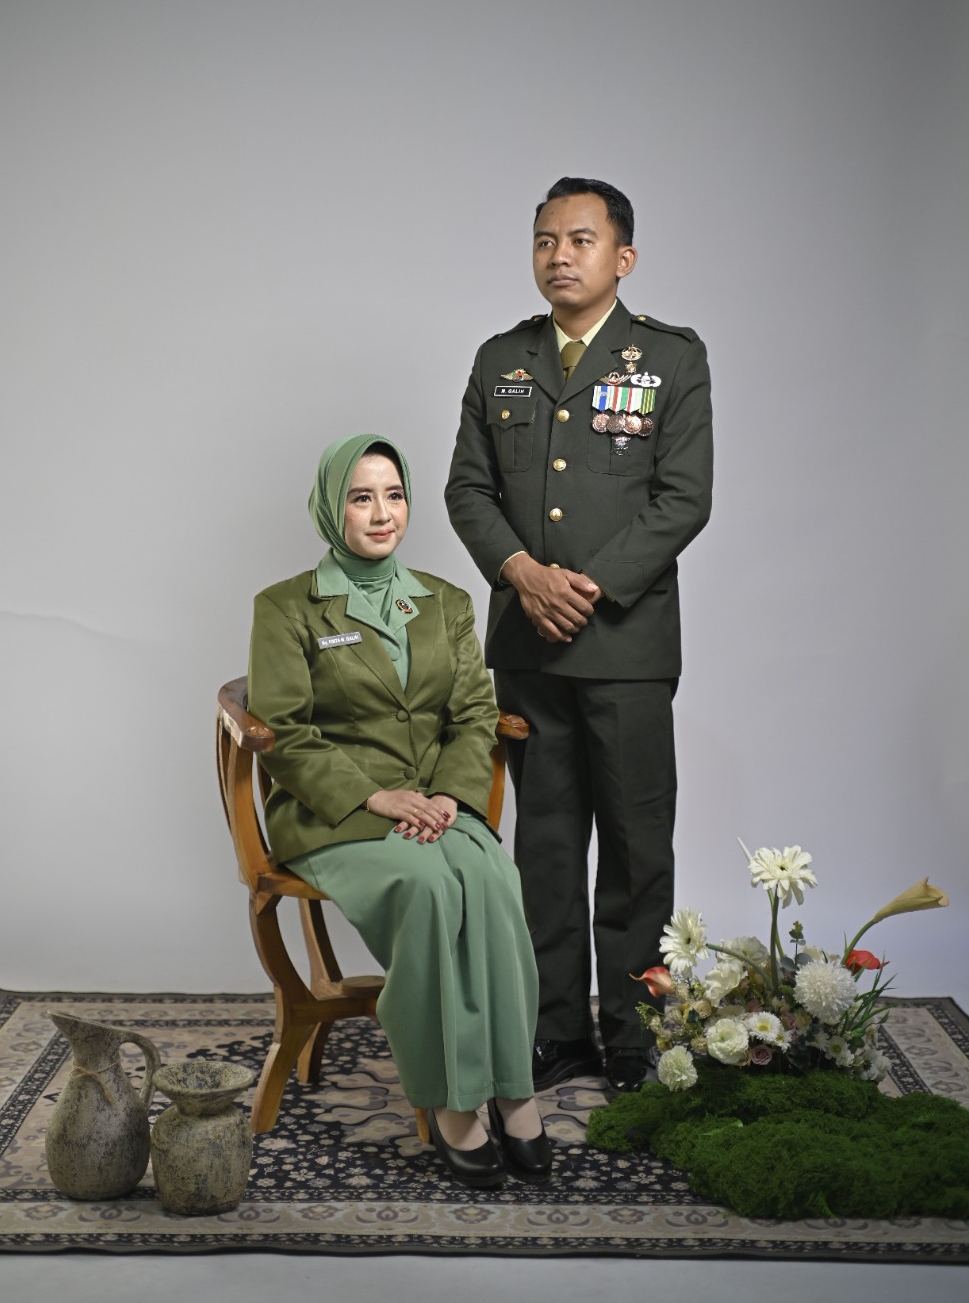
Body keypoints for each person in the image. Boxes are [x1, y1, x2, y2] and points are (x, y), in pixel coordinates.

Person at [445, 177, 713, 1095]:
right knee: (547, 847)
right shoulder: (501, 359)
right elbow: (468, 489)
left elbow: (684, 498)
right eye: (545, 240)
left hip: (626, 648)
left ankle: (636, 1037)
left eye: (581, 240)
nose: (560, 255)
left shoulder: (670, 359)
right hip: (530, 645)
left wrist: (586, 589)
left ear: (622, 257)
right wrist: (523, 574)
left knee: (636, 848)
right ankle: (556, 1032)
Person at [247, 432, 549, 1188]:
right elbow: (284, 732)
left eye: (394, 495)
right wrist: (375, 797)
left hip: (437, 802)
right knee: (429, 887)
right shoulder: (285, 607)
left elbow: (474, 714)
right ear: (331, 508)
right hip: (335, 812)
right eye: (361, 497)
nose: (382, 514)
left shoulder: (445, 602)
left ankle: (512, 1085)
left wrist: (448, 793)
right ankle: (450, 1098)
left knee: (495, 881)